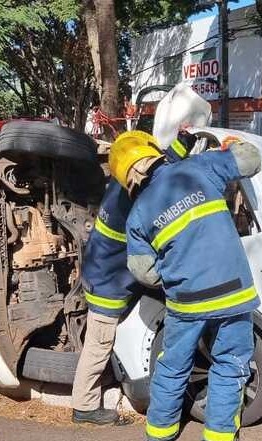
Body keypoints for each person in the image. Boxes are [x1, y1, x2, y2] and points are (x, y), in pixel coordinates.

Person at [108, 131, 261, 441]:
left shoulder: (137, 217)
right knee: (230, 362)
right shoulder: (199, 168)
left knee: (173, 365)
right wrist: (233, 145)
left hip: (185, 300)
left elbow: (144, 271)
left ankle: (158, 433)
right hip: (232, 292)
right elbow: (251, 160)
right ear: (152, 151)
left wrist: (177, 272)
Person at [71, 130, 196, 425]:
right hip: (108, 282)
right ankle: (84, 406)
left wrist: (183, 142)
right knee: (99, 342)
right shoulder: (135, 197)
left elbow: (154, 167)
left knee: (105, 339)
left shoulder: (121, 179)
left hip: (103, 272)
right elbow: (157, 176)